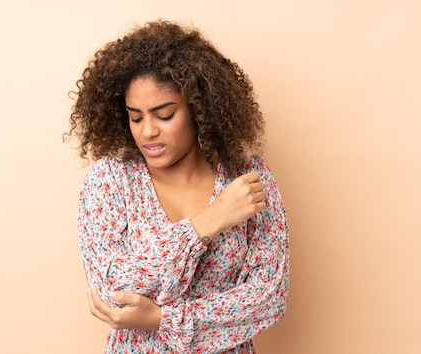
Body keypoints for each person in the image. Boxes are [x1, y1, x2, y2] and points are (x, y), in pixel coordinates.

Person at [66, 20, 289, 353]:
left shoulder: (247, 180)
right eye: (136, 117)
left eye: (164, 115)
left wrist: (161, 318)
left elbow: (268, 296)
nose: (147, 132)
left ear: (199, 109)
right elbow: (113, 289)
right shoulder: (111, 181)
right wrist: (209, 221)